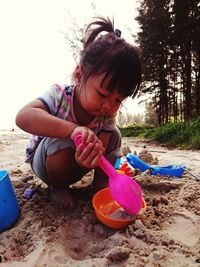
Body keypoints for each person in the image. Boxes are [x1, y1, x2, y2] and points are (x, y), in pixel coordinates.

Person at [16, 17, 141, 209]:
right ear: (79, 75)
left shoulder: (106, 115)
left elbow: (102, 148)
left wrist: (91, 156)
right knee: (62, 140)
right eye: (102, 94)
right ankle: (58, 188)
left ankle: (100, 184)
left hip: (81, 164)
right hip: (48, 163)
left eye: (118, 100)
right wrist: (73, 130)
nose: (109, 106)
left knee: (115, 134)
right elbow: (23, 117)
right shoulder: (59, 95)